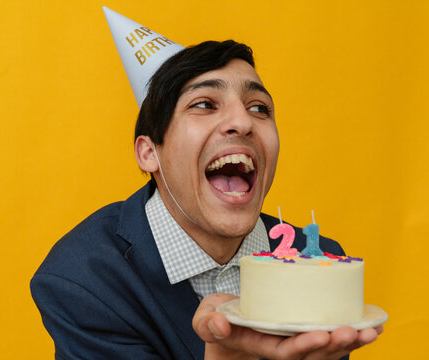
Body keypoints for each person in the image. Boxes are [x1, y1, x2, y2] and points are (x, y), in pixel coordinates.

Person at [31, 40, 382, 360]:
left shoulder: (321, 266)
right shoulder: (83, 280)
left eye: (259, 108)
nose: (243, 122)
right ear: (149, 153)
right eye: (204, 104)